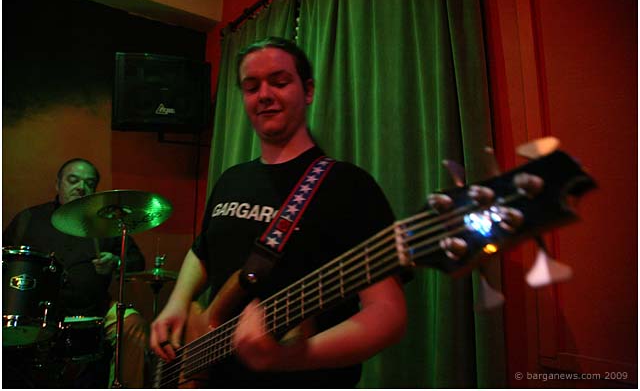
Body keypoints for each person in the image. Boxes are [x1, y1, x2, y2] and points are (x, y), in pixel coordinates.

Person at [150, 37, 407, 388]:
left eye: (280, 82)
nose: (264, 95)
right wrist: (178, 302)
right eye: (251, 87)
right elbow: (204, 250)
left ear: (308, 91)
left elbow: (388, 313)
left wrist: (285, 358)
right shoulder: (231, 179)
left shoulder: (349, 185)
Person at [3, 158, 147, 388]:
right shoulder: (30, 219)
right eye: (73, 180)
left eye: (89, 183)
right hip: (34, 312)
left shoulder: (106, 224)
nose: (81, 187)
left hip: (93, 310)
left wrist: (116, 262)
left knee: (133, 324)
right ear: (58, 184)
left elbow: (137, 262)